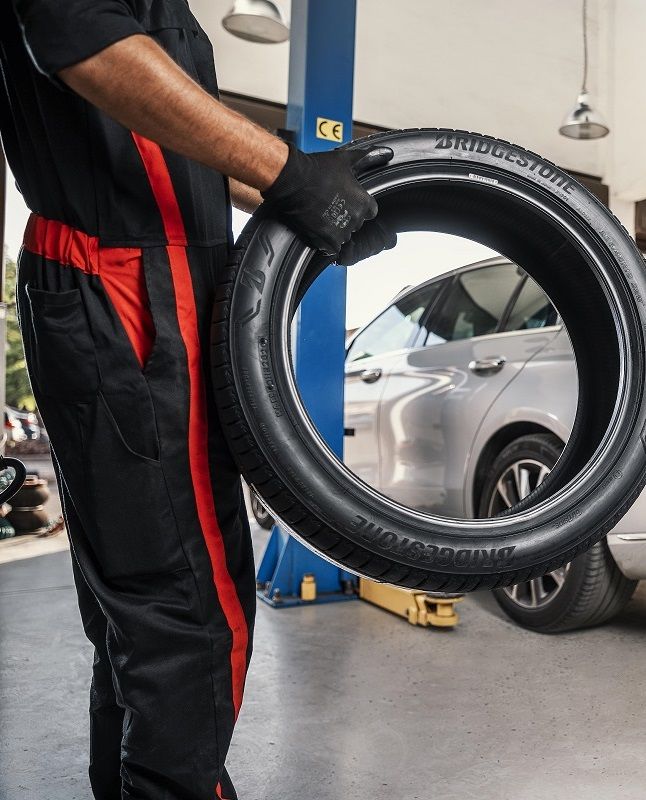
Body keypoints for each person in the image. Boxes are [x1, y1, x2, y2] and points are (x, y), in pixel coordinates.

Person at [0, 2, 395, 798]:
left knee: (144, 608)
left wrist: (302, 193)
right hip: (128, 286)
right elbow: (82, 42)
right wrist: (290, 176)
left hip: (131, 277)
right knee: (188, 614)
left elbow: (167, 145)